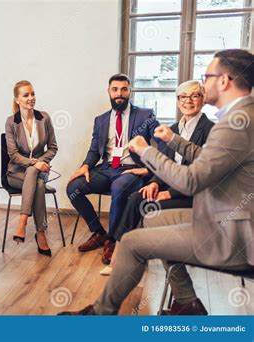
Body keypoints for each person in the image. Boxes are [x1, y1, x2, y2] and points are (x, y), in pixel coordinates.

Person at [59, 49, 254, 316]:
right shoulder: (241, 116)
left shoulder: (235, 123)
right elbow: (209, 159)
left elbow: (192, 180)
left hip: (231, 234)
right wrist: (173, 140)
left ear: (224, 81)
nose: (203, 83)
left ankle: (100, 314)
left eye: (207, 76)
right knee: (151, 219)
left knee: (132, 243)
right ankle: (186, 302)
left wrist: (145, 151)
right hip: (219, 216)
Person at [100, 80, 215, 275]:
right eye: (183, 97)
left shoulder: (211, 130)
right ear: (178, 101)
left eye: (194, 95)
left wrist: (169, 193)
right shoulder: (173, 129)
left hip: (196, 196)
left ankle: (132, 258)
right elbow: (164, 164)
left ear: (203, 99)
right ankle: (120, 254)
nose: (188, 101)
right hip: (173, 189)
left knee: (144, 207)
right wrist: (154, 183)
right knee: (137, 197)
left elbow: (202, 174)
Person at [66, 74, 159, 253]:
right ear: (109, 92)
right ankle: (99, 232)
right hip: (107, 168)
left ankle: (114, 240)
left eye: (124, 89)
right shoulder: (100, 120)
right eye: (115, 89)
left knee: (119, 187)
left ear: (130, 91)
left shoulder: (145, 115)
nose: (119, 94)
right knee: (73, 188)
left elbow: (161, 143)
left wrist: (148, 169)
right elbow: (94, 150)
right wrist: (85, 166)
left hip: (132, 169)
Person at [5, 80, 58, 256]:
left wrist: (38, 163)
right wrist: (35, 163)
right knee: (38, 183)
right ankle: (40, 232)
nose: (31, 98)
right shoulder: (11, 122)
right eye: (26, 95)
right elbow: (13, 154)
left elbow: (53, 148)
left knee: (35, 175)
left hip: (39, 170)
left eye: (32, 94)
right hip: (15, 173)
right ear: (17, 99)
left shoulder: (44, 118)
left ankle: (22, 224)